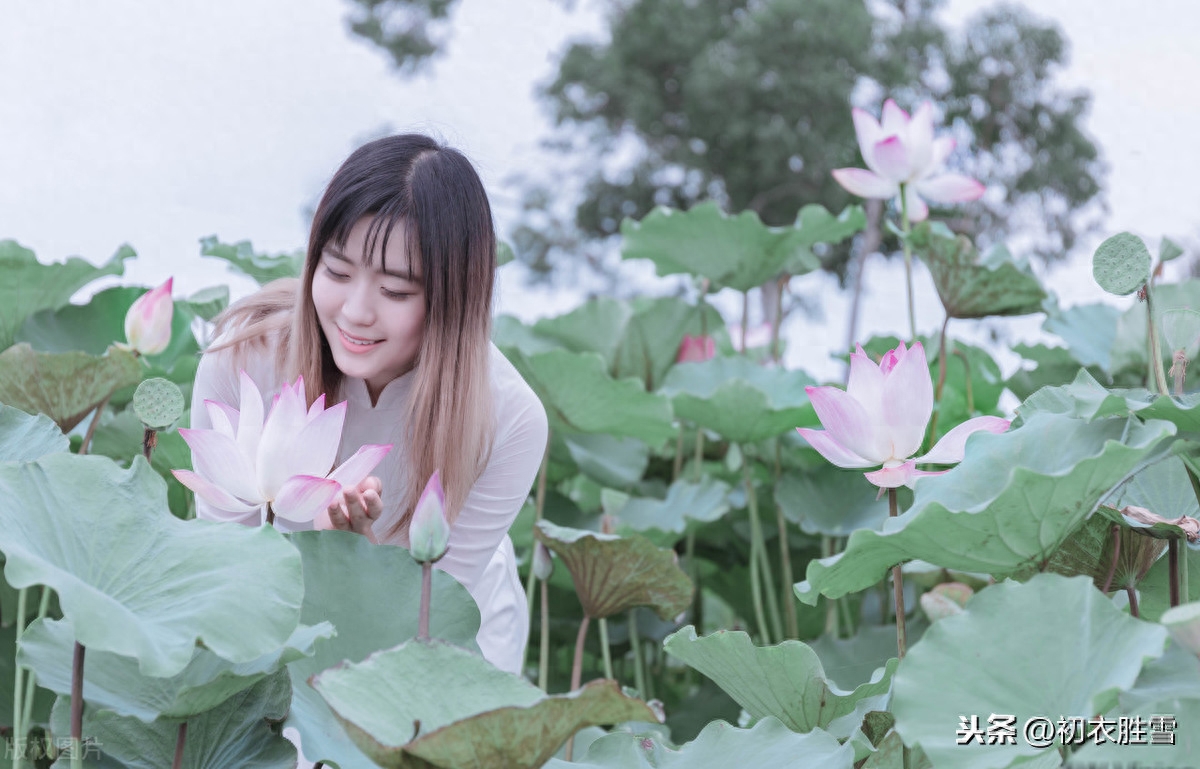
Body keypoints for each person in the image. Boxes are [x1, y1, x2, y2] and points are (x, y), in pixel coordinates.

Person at [187, 134, 548, 676]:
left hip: (451, 634)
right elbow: (222, 574)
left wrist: (363, 567)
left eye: (397, 292)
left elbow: (433, 620)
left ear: (454, 298)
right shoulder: (244, 360)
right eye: (335, 272)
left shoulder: (509, 418)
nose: (355, 313)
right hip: (272, 615)